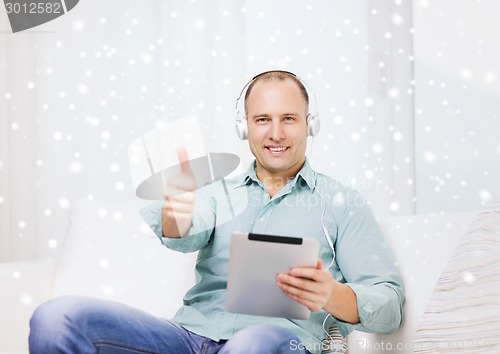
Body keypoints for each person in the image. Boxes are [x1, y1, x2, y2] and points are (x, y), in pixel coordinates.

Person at [29, 70, 404, 354]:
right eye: (262, 120)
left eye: (288, 118)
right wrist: (177, 209)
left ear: (310, 124)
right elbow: (187, 228)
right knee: (56, 317)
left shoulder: (342, 203)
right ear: (245, 128)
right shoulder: (218, 192)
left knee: (253, 343)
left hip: (279, 341)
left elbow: (389, 304)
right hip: (191, 337)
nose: (276, 133)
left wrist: (333, 295)